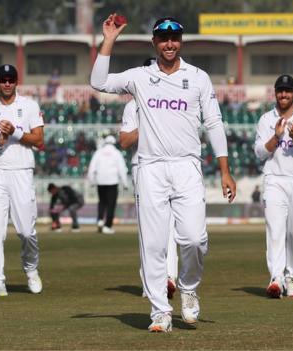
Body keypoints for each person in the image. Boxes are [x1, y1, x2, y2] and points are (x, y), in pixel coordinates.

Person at [91, 15, 237, 332]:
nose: (169, 44)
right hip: (151, 168)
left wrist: (225, 170)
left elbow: (214, 123)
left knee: (195, 239)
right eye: (162, 38)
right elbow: (99, 82)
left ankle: (188, 288)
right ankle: (160, 311)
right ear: (154, 42)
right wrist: (109, 40)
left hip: (187, 166)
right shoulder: (140, 77)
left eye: (174, 38)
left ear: (180, 42)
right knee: (154, 245)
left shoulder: (198, 78)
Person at [0, 64, 44, 297]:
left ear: (16, 81)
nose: (7, 83)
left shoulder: (29, 106)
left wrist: (14, 132)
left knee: (26, 230)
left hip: (22, 171)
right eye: (3, 79)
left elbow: (38, 139)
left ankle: (31, 269)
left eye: (11, 79)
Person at [254, 74, 293, 299]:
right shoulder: (265, 119)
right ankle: (276, 278)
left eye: (287, 91)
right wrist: (276, 136)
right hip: (274, 179)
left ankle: (292, 278)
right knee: (275, 230)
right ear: (275, 93)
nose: (283, 95)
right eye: (280, 91)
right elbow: (260, 153)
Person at [119, 88, 178, 300]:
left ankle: (169, 277)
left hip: (170, 165)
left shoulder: (172, 101)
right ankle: (150, 281)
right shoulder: (131, 107)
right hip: (141, 165)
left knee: (170, 225)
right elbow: (124, 141)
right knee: (149, 227)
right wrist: (148, 124)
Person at [87, 134, 127, 234]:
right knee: (111, 204)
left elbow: (92, 168)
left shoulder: (99, 152)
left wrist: (92, 181)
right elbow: (122, 169)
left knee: (102, 202)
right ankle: (107, 226)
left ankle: (100, 220)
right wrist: (125, 183)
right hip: (112, 182)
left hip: (100, 181)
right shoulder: (117, 153)